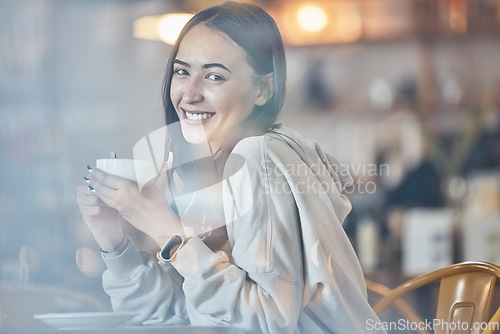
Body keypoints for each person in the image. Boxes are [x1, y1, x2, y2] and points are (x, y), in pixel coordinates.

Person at [76, 2, 385, 333]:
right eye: (182, 71)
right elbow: (181, 314)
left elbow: (266, 323)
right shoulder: (217, 173)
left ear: (263, 90)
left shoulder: (260, 156)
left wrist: (166, 229)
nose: (189, 94)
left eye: (214, 76)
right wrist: (111, 238)